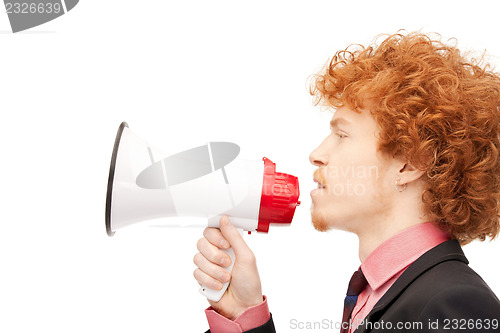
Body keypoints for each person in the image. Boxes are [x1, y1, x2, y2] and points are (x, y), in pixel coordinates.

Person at [193, 32, 500, 332]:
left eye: (342, 135)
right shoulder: (379, 295)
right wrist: (245, 315)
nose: (316, 155)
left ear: (409, 163)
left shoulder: (454, 305)